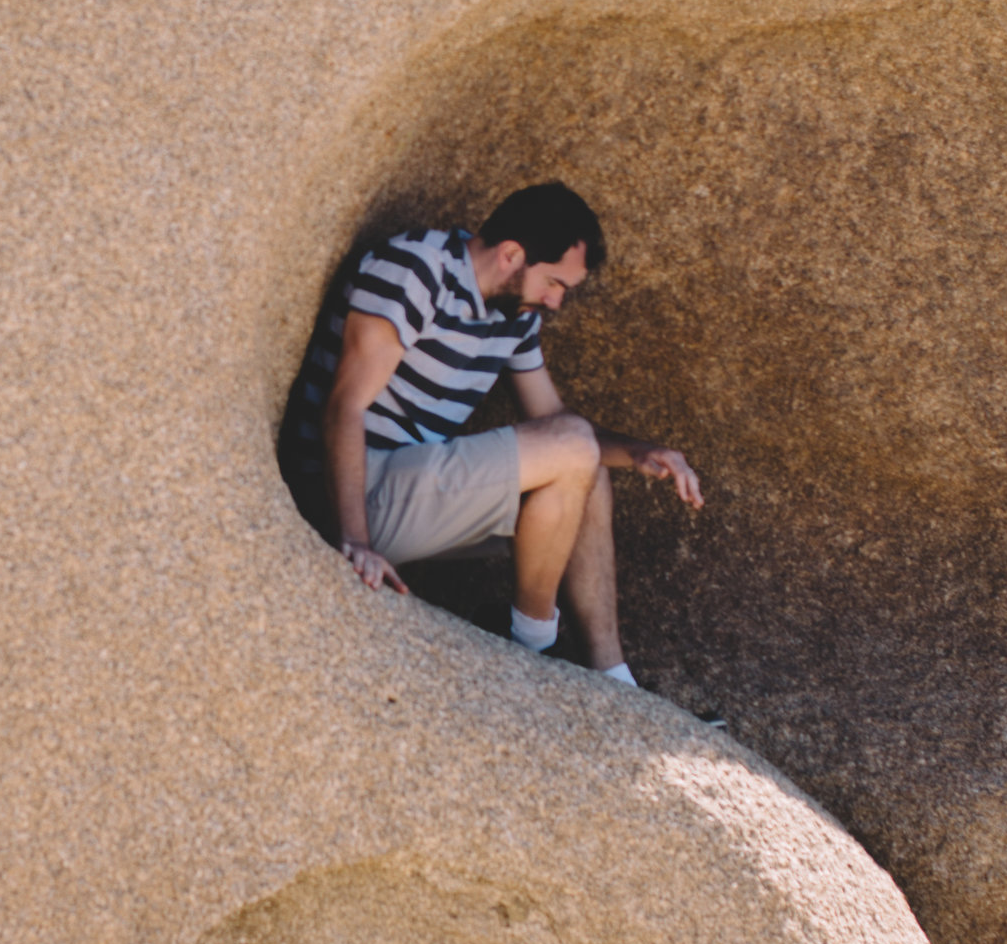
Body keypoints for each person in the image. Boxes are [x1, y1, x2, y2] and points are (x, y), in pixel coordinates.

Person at [285, 181, 701, 684]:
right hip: (348, 493)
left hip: (414, 497)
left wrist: (637, 451)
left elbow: (553, 420)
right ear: (511, 254)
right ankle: (530, 645)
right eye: (554, 283)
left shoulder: (514, 317)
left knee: (586, 465)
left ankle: (613, 680)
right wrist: (355, 541)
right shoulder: (418, 269)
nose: (556, 301)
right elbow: (343, 407)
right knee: (575, 447)